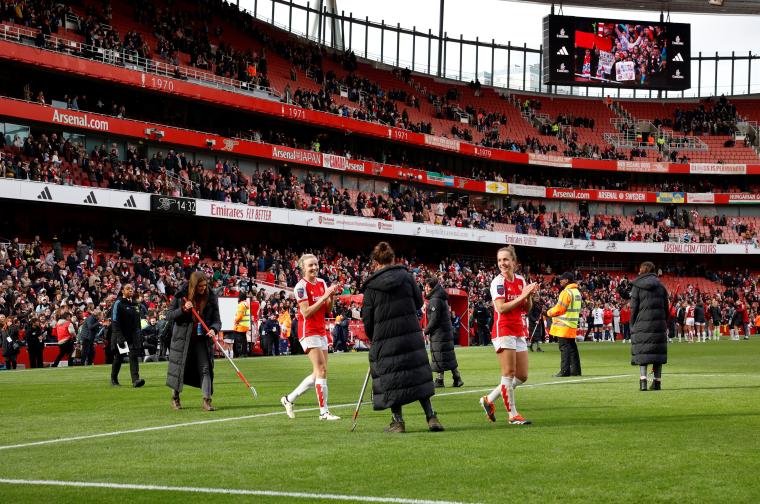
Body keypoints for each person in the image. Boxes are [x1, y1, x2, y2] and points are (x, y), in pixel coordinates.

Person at [361, 242, 443, 433]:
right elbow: (418, 302)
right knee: (418, 375)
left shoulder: (371, 287)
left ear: (375, 262)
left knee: (391, 377)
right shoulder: (407, 277)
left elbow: (367, 320)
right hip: (410, 334)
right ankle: (431, 416)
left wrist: (375, 338)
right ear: (393, 258)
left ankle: (398, 421)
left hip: (385, 338)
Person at [479, 246, 538, 425]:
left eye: (506, 260)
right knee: (509, 373)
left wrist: (529, 297)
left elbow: (527, 309)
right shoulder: (497, 282)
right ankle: (513, 415)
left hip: (518, 329)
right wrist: (522, 296)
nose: (502, 263)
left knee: (522, 375)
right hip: (503, 329)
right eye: (499, 260)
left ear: (514, 262)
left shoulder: (520, 280)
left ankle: (488, 400)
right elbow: (500, 308)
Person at [280, 254, 340, 421]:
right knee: (322, 370)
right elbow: (306, 312)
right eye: (310, 266)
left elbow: (328, 309)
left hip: (321, 330)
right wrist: (324, 295)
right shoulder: (300, 287)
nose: (314, 268)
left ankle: (288, 399)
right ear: (303, 268)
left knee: (318, 373)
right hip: (308, 331)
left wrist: (332, 296)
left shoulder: (321, 283)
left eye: (315, 264)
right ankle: (324, 412)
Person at [165, 271, 221, 411]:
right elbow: (170, 315)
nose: (203, 289)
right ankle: (175, 398)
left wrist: (214, 328)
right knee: (180, 368)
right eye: (200, 286)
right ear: (193, 285)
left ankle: (207, 400)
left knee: (206, 368)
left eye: (205, 285)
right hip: (183, 339)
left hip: (202, 339)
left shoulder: (211, 297)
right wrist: (183, 309)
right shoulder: (180, 295)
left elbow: (217, 320)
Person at [630, 262, 669, 391]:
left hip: (642, 323)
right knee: (657, 354)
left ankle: (643, 382)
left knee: (643, 354)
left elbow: (634, 308)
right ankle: (657, 383)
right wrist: (664, 321)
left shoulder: (637, 287)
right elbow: (666, 309)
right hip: (658, 324)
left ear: (643, 269)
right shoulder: (661, 287)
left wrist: (632, 324)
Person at [424, 276, 463, 388]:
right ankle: (456, 377)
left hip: (439, 333)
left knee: (440, 354)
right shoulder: (440, 297)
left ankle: (440, 380)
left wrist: (426, 331)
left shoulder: (435, 300)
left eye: (428, 286)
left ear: (432, 287)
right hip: (444, 331)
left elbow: (434, 319)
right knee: (446, 355)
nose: (426, 288)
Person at [547, 272, 582, 377]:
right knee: (572, 347)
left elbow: (560, 309)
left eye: (562, 279)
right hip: (572, 323)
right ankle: (576, 371)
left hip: (564, 324)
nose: (560, 281)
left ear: (567, 280)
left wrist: (548, 312)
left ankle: (565, 371)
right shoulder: (576, 292)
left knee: (564, 348)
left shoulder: (566, 292)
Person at [110, 283, 145, 388]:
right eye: (128, 288)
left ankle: (135, 380)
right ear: (122, 291)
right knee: (119, 358)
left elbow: (137, 322)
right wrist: (120, 337)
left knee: (133, 356)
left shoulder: (135, 304)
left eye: (132, 289)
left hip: (132, 336)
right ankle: (114, 379)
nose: (130, 290)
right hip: (121, 336)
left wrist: (139, 334)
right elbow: (115, 321)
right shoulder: (118, 303)